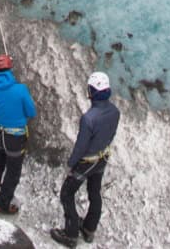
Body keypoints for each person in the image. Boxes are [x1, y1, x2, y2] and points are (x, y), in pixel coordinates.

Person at [49, 72, 118, 247]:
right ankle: (89, 228)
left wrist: (71, 164)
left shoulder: (89, 118)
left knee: (67, 193)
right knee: (94, 193)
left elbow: (81, 146)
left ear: (92, 92)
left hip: (87, 161)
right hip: (102, 158)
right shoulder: (114, 112)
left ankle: (71, 234)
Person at [0, 53, 36, 214]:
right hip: (15, 137)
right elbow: (31, 112)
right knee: (13, 172)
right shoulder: (20, 90)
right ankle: (2, 204)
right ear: (10, 68)